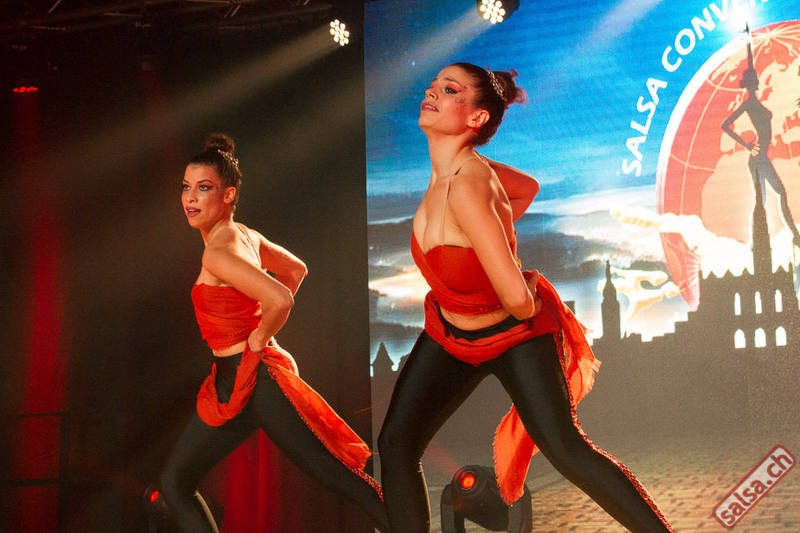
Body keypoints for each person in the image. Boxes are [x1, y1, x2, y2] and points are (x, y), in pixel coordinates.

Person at [377, 63, 674, 532]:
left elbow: (518, 302)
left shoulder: (469, 185)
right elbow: (527, 188)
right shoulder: (450, 173)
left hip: (513, 335)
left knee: (566, 451)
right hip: (451, 334)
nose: (431, 93)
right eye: (433, 86)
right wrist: (489, 236)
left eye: (449, 90)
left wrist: (496, 248)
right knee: (396, 444)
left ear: (476, 118)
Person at [159, 134, 389, 532]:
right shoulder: (245, 236)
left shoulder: (218, 251)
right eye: (186, 187)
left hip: (259, 381)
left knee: (341, 477)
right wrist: (259, 330)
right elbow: (296, 270)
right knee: (175, 482)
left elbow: (281, 297)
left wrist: (259, 336)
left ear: (228, 195)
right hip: (230, 384)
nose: (191, 198)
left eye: (204, 188)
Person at [722, 43, 800, 247]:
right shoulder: (749, 104)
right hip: (757, 159)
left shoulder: (755, 102)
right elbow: (725, 125)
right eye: (754, 79)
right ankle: (761, 241)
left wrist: (748, 42)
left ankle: (793, 235)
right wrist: (745, 144)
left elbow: (751, 61)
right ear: (751, 83)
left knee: (775, 195)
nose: (757, 81)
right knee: (762, 200)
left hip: (762, 157)